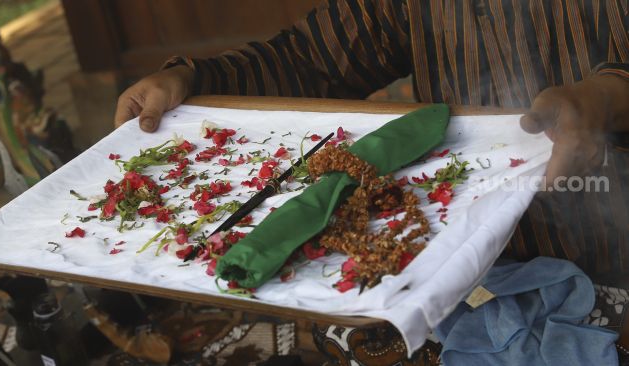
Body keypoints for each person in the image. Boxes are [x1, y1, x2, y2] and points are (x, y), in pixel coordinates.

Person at [115, 0, 629, 360]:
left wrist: (609, 97)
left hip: (614, 251)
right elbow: (311, 59)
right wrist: (192, 79)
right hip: (474, 263)